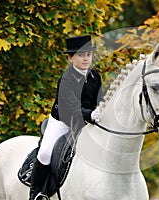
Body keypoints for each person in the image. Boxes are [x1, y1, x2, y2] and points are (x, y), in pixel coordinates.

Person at [29, 35, 103, 200]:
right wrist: (89, 114)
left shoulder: (95, 76)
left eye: (88, 55)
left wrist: (101, 109)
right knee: (45, 153)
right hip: (63, 120)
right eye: (81, 55)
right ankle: (36, 193)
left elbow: (100, 99)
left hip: (86, 121)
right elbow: (70, 108)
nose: (86, 59)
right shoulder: (66, 79)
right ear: (70, 58)